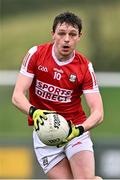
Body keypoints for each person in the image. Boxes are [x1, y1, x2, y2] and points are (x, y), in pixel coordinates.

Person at [12, 11, 104, 179]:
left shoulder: (85, 67)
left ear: (79, 37)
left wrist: (79, 129)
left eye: (72, 34)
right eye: (61, 33)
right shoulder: (36, 54)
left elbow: (98, 112)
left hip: (75, 130)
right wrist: (35, 112)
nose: (66, 39)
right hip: (46, 136)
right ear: (53, 34)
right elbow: (17, 96)